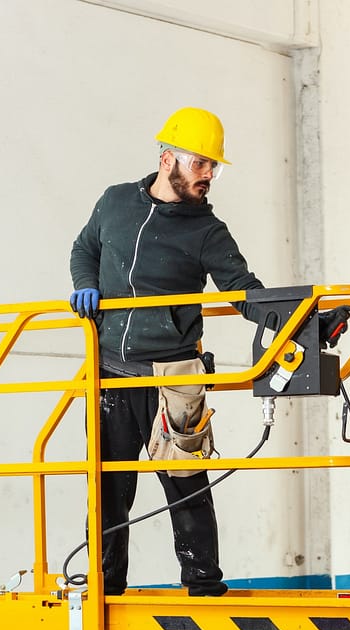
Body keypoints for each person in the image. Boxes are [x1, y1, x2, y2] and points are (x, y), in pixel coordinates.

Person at [69, 106, 265, 597]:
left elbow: (244, 291)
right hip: (109, 372)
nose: (208, 174)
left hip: (173, 373)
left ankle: (203, 586)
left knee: (186, 483)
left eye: (213, 166)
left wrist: (301, 318)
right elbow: (84, 248)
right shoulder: (115, 202)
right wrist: (85, 283)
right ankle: (105, 588)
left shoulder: (207, 231)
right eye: (200, 162)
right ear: (166, 159)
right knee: (107, 488)